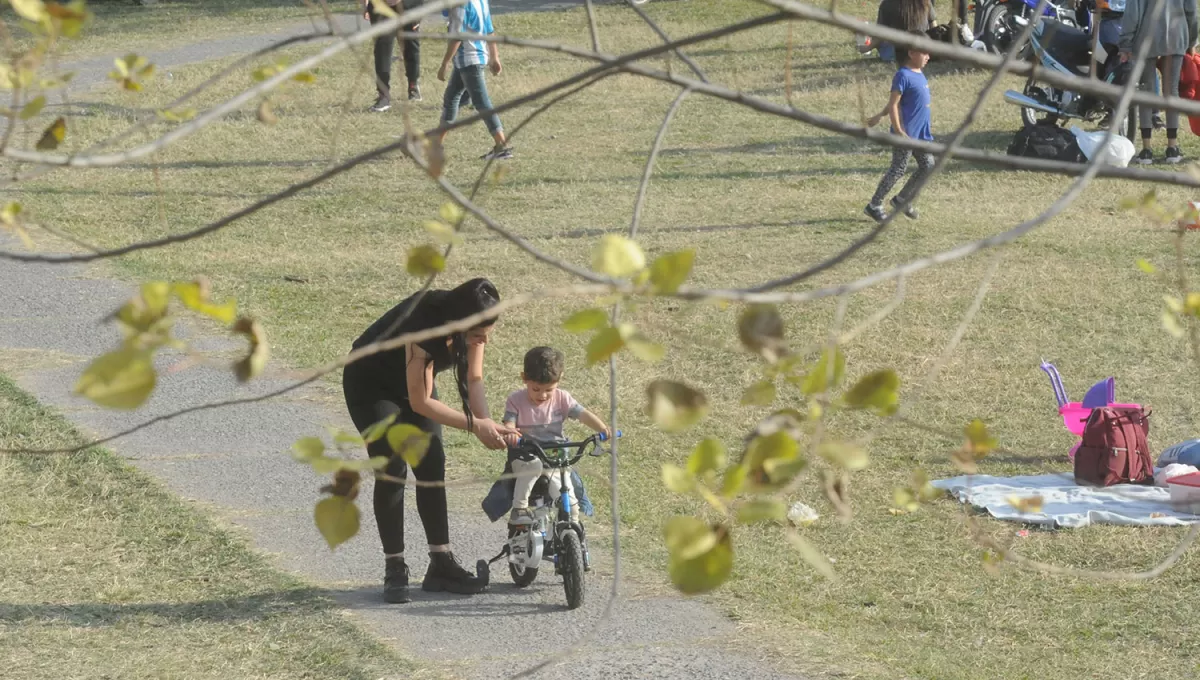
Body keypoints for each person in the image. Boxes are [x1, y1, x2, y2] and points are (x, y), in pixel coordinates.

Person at [341, 278, 519, 604]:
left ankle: (441, 563)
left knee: (431, 463)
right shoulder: (423, 324)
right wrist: (475, 426)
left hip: (412, 385)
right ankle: (395, 566)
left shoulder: (473, 323)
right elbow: (421, 402)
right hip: (370, 383)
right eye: (478, 335)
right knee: (393, 465)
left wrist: (486, 422)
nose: (484, 341)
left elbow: (473, 377)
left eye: (487, 334)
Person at [500, 347, 610, 527]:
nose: (542, 395)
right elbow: (509, 423)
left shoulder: (562, 398)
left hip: (554, 455)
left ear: (560, 380)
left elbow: (583, 414)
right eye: (536, 389)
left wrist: (603, 428)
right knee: (533, 465)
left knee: (569, 498)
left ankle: (572, 532)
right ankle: (519, 509)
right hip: (525, 452)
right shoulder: (515, 399)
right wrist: (510, 433)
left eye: (549, 390)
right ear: (524, 378)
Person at [865, 36, 935, 222]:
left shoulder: (919, 73)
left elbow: (894, 104)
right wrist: (898, 130)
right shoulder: (903, 75)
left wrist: (880, 115)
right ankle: (874, 205)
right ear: (911, 53)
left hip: (920, 134)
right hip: (905, 135)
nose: (928, 56)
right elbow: (894, 104)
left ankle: (902, 199)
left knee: (928, 165)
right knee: (898, 169)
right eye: (924, 52)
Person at [1119, 0, 1197, 164]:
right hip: (1177, 36)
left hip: (1146, 37)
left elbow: (1133, 14)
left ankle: (1147, 150)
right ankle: (1172, 148)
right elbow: (1191, 11)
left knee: (1146, 92)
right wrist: (1191, 42)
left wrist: (1126, 44)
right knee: (1171, 91)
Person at [437, 0, 513, 161]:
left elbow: (458, 36)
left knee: (482, 103)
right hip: (468, 60)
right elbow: (489, 30)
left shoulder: (461, 5)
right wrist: (494, 57)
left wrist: (445, 63)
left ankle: (502, 146)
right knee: (451, 98)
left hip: (469, 60)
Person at [364, 0, 424, 112]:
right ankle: (383, 96)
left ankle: (413, 85)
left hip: (409, 6)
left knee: (410, 45)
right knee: (382, 49)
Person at [876, 0, 936, 64]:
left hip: (896, 54)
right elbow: (934, 26)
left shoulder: (887, 3)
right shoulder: (925, 1)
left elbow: (879, 33)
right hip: (921, 51)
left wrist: (867, 48)